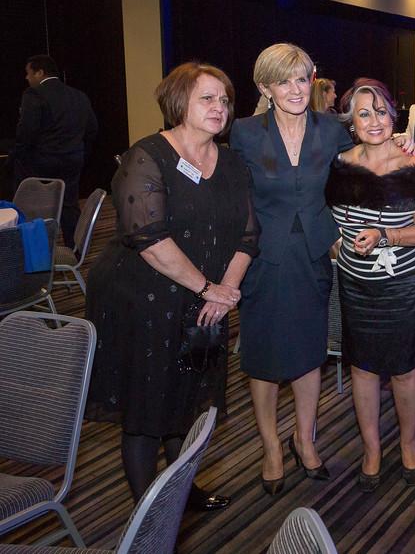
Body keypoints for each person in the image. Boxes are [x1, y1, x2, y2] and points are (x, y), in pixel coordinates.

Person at [86, 62, 257, 511]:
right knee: (147, 407)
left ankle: (180, 492)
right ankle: (150, 513)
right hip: (142, 297)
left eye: (224, 100)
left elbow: (248, 234)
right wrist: (208, 289)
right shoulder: (146, 157)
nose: (219, 107)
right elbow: (149, 239)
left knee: (189, 399)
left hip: (205, 298)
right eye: (207, 98)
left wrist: (226, 291)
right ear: (180, 103)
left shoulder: (233, 161)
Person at [230, 43, 349, 495]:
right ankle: (270, 446)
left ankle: (304, 437)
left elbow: (354, 181)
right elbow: (233, 199)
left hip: (315, 254)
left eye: (302, 78)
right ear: (265, 87)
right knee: (261, 356)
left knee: (308, 350)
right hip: (263, 257)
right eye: (284, 81)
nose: (296, 89)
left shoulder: (333, 129)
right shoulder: (244, 132)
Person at [326, 79, 415, 492]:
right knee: (362, 369)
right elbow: (328, 221)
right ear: (351, 123)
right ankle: (372, 448)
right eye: (364, 113)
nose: (374, 121)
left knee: (402, 370)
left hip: (401, 286)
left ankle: (408, 444)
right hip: (356, 286)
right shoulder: (340, 165)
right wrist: (336, 245)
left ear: (393, 116)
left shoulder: (413, 167)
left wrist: (386, 235)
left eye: (380, 111)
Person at [12, 55, 98, 244]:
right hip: (73, 159)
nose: (27, 78)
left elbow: (27, 132)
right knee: (69, 204)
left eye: (29, 73)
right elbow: (92, 128)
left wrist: (18, 155)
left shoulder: (33, 94)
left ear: (40, 72)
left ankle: (38, 250)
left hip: (41, 161)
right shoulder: (79, 95)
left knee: (36, 207)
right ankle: (74, 247)